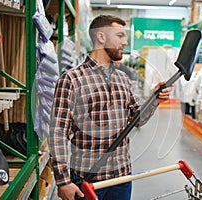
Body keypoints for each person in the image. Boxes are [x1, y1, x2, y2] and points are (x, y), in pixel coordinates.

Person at [48, 14, 171, 200]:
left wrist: (154, 100)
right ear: (101, 37)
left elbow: (136, 120)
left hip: (121, 177)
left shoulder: (123, 78)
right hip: (87, 179)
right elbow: (58, 133)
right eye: (120, 36)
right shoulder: (72, 79)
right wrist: (63, 181)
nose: (125, 42)